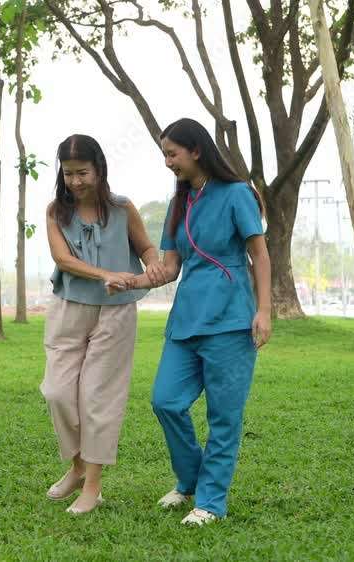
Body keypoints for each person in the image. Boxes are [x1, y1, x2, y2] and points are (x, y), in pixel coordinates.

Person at [111, 118, 272, 526]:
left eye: (172, 154)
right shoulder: (178, 204)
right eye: (164, 155)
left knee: (223, 417)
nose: (167, 162)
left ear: (196, 150)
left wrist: (264, 310)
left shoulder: (237, 194)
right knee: (165, 401)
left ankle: (211, 502)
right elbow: (169, 268)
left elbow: (260, 254)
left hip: (230, 321)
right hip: (185, 322)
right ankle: (191, 481)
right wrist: (132, 280)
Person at [41, 134, 166, 515]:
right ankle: (78, 466)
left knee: (98, 397)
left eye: (82, 172)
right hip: (69, 308)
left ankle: (92, 486)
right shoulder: (56, 211)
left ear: (99, 169)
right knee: (57, 392)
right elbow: (63, 259)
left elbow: (145, 247)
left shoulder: (122, 208)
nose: (75, 181)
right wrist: (105, 274)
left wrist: (152, 264)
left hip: (116, 312)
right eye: (68, 174)